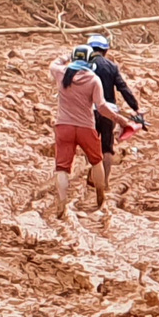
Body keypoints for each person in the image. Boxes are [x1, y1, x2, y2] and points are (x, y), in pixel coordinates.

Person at [50, 43, 128, 218]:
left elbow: (53, 63)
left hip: (64, 126)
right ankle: (100, 194)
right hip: (86, 126)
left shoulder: (61, 73)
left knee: (62, 168)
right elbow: (101, 107)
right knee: (96, 161)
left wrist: (65, 57)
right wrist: (120, 119)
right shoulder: (93, 80)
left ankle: (61, 204)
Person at [85, 33, 144, 182]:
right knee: (107, 146)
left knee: (90, 144)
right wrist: (135, 107)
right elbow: (123, 88)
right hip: (109, 111)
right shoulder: (111, 66)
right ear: (105, 51)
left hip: (87, 111)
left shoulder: (83, 66)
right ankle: (104, 182)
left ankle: (92, 172)